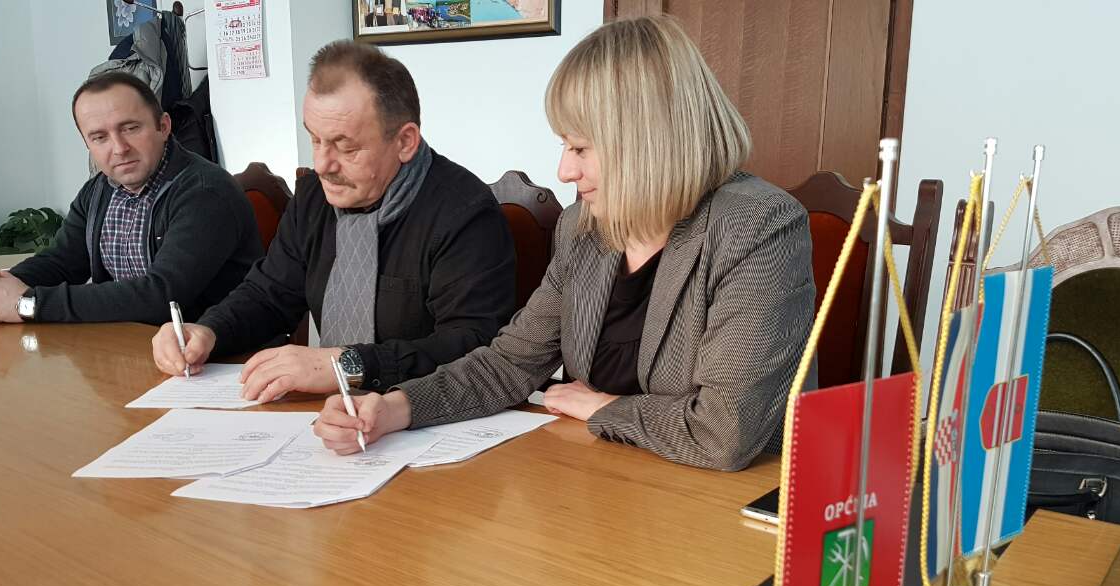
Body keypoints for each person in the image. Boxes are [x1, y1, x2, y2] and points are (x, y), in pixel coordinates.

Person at [312, 15, 816, 471]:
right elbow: (509, 364)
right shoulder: (583, 227)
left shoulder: (757, 226)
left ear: (648, 142)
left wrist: (603, 408)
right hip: (599, 483)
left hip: (717, 504)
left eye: (580, 147)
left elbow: (724, 432)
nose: (564, 170)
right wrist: (395, 407)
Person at [149, 41, 515, 402]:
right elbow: (269, 296)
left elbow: (472, 345)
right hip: (328, 416)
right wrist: (209, 331)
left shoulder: (464, 213)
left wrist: (348, 365)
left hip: (426, 416)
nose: (323, 165)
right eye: (315, 139)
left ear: (405, 142)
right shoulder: (315, 197)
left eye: (346, 147)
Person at [0, 72, 260, 325]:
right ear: (87, 143)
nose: (119, 148)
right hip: (127, 346)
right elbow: (61, 262)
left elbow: (162, 297)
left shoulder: (205, 192)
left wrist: (26, 304)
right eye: (99, 137)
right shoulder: (99, 190)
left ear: (163, 126)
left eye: (130, 128)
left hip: (214, 359)